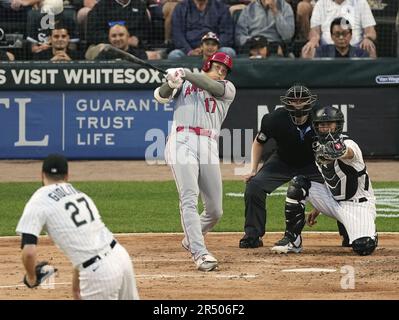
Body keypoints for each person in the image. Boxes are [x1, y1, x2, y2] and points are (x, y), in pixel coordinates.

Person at [16, 154, 140, 299]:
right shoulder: (80, 195)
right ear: (67, 176)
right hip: (121, 257)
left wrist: (31, 278)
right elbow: (85, 245)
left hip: (99, 274)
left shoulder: (38, 200)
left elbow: (29, 252)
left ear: (42, 175)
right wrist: (76, 288)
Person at [154, 52, 236, 271]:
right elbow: (160, 97)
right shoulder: (184, 83)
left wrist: (186, 73)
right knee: (189, 196)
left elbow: (214, 87)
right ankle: (200, 254)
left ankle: (191, 238)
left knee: (215, 210)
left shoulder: (227, 87)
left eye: (225, 69)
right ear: (208, 64)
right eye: (219, 66)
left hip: (208, 143)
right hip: (182, 139)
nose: (222, 71)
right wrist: (171, 82)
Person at [271, 106, 378, 256]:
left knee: (363, 246)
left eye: (329, 124)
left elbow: (348, 152)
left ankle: (369, 231)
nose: (325, 128)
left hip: (358, 205)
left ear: (338, 125)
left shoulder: (350, 143)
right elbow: (331, 179)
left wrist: (337, 151)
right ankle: (292, 240)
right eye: (321, 125)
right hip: (334, 201)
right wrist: (318, 208)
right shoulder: (317, 147)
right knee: (298, 183)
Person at [239, 84, 324, 249]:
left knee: (340, 188)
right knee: (254, 186)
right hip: (282, 161)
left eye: (302, 100)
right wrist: (253, 170)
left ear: (309, 101)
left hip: (312, 163)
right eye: (294, 100)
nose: (298, 104)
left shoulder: (321, 116)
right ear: (287, 102)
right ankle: (252, 235)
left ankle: (350, 235)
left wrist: (318, 207)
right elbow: (259, 142)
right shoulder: (274, 119)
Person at [301, 0, 377, 58]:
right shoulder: (321, 3)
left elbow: (370, 30)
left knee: (370, 48)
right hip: (327, 47)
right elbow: (314, 30)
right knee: (308, 50)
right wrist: (314, 39)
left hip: (355, 47)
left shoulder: (361, 2)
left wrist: (368, 38)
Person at [168, 0, 236, 59]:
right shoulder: (181, 7)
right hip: (188, 50)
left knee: (228, 52)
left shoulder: (221, 7)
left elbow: (227, 33)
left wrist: (214, 47)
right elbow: (177, 33)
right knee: (174, 55)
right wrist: (189, 50)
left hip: (215, 48)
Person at [303, 17, 369, 58]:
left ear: (351, 35)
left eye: (344, 33)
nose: (341, 37)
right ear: (331, 36)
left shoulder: (361, 54)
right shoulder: (322, 52)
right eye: (337, 34)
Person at [85, 23, 157, 61]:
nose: (118, 38)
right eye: (114, 36)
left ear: (128, 37)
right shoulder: (103, 56)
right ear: (109, 39)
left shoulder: (138, 54)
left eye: (121, 35)